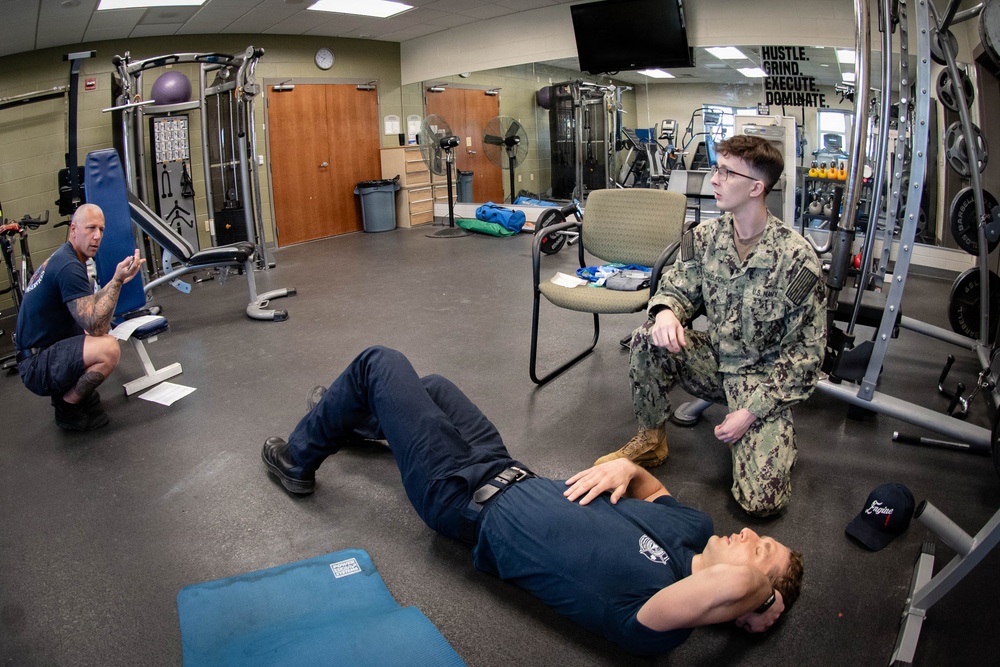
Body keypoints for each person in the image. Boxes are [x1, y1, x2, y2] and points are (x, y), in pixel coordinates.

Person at [261, 346, 803, 655]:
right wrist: (627, 466)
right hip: (504, 466)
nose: (750, 535)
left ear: (748, 598)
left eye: (761, 552)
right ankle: (355, 416)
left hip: (459, 497)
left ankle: (300, 460)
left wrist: (765, 604)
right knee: (434, 386)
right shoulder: (693, 526)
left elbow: (736, 584)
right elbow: (647, 487)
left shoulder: (659, 620)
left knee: (379, 364)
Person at [595, 135, 826, 518]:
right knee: (647, 338)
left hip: (761, 380)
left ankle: (776, 437)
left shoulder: (796, 259)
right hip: (714, 361)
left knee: (762, 504)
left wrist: (751, 411)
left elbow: (805, 357)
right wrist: (667, 311)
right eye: (716, 169)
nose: (714, 180)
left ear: (756, 187)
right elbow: (677, 286)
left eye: (726, 172)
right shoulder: (704, 238)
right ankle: (652, 438)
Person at [15, 203, 144, 431]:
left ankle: (68, 394)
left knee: (88, 334)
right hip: (35, 366)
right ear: (73, 229)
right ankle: (67, 405)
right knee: (108, 348)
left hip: (40, 353)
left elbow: (91, 309)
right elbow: (97, 326)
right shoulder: (69, 267)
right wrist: (116, 282)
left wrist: (119, 279)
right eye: (90, 228)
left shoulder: (67, 257)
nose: (97, 236)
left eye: (101, 230)